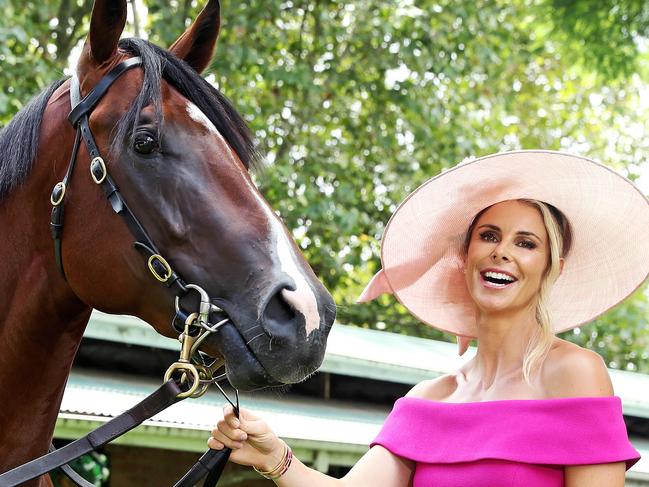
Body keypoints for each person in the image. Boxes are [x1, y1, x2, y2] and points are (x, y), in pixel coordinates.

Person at [208, 150, 647, 486]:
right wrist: (275, 457)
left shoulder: (573, 373)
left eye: (526, 243)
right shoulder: (430, 398)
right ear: (466, 255)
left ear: (554, 267)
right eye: (489, 236)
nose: (502, 252)